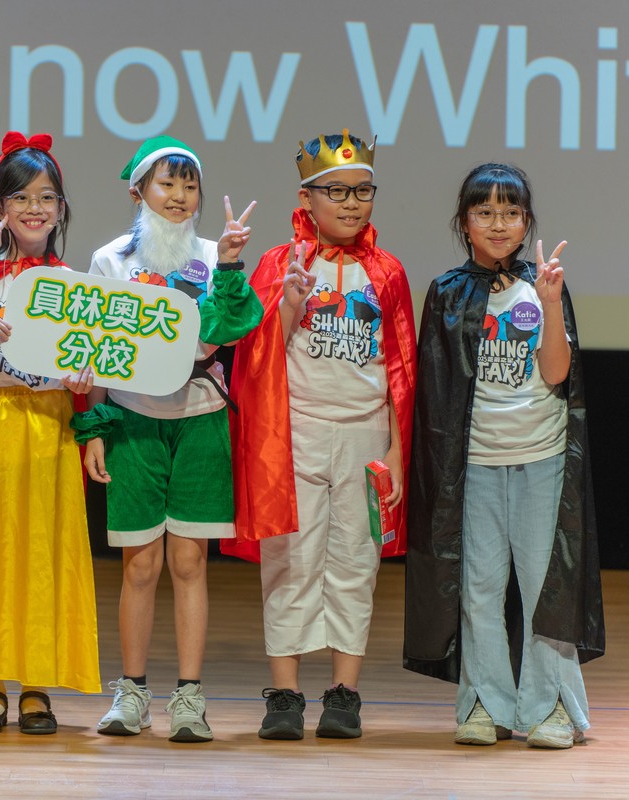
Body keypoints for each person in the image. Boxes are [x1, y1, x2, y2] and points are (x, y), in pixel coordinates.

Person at [402, 163, 604, 749]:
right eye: (485, 212)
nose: (498, 223)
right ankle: (484, 704)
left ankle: (549, 707)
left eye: (511, 212)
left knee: (546, 587)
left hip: (542, 458)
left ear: (527, 221)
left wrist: (549, 303)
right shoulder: (446, 292)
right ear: (463, 222)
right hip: (474, 466)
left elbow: (557, 374)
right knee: (479, 589)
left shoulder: (544, 285)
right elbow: (435, 392)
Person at [226, 130, 417, 740]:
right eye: (337, 191)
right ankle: (284, 694)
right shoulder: (279, 264)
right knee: (290, 562)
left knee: (356, 564)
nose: (352, 203)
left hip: (366, 437)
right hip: (297, 435)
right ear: (306, 198)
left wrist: (396, 450)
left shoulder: (388, 272)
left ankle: (344, 693)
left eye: (363, 190)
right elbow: (257, 360)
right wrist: (287, 304)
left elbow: (400, 371)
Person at [76, 136, 262, 743]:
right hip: (132, 420)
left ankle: (189, 697)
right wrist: (95, 428)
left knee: (189, 561)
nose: (180, 196)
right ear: (139, 192)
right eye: (167, 183)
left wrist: (229, 264)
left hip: (202, 417)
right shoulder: (110, 260)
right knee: (140, 565)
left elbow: (232, 328)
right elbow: (94, 351)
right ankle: (131, 693)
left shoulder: (214, 254)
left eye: (190, 185)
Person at [0, 132, 100, 735]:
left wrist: (85, 384)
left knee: (42, 553)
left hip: (51, 425)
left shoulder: (74, 284)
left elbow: (92, 366)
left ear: (61, 208)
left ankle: (35, 683)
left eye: (47, 197)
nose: (35, 208)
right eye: (22, 197)